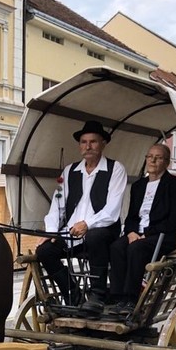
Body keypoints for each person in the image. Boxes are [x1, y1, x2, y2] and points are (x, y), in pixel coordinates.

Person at [35, 120, 127, 315]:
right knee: (44, 251)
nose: (88, 146)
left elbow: (112, 210)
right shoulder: (70, 171)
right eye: (84, 142)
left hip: (104, 231)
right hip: (72, 232)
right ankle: (72, 292)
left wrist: (87, 224)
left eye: (93, 142)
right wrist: (51, 231)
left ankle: (97, 295)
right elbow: (57, 205)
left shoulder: (115, 169)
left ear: (103, 144)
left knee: (94, 236)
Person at [108, 143, 176, 316]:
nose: (152, 160)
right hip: (138, 234)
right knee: (116, 247)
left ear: (166, 162)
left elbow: (175, 219)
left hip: (163, 235)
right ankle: (117, 298)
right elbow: (131, 216)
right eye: (149, 156)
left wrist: (147, 234)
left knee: (136, 248)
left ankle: (131, 299)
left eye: (158, 157)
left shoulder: (175, 184)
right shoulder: (138, 186)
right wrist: (131, 232)